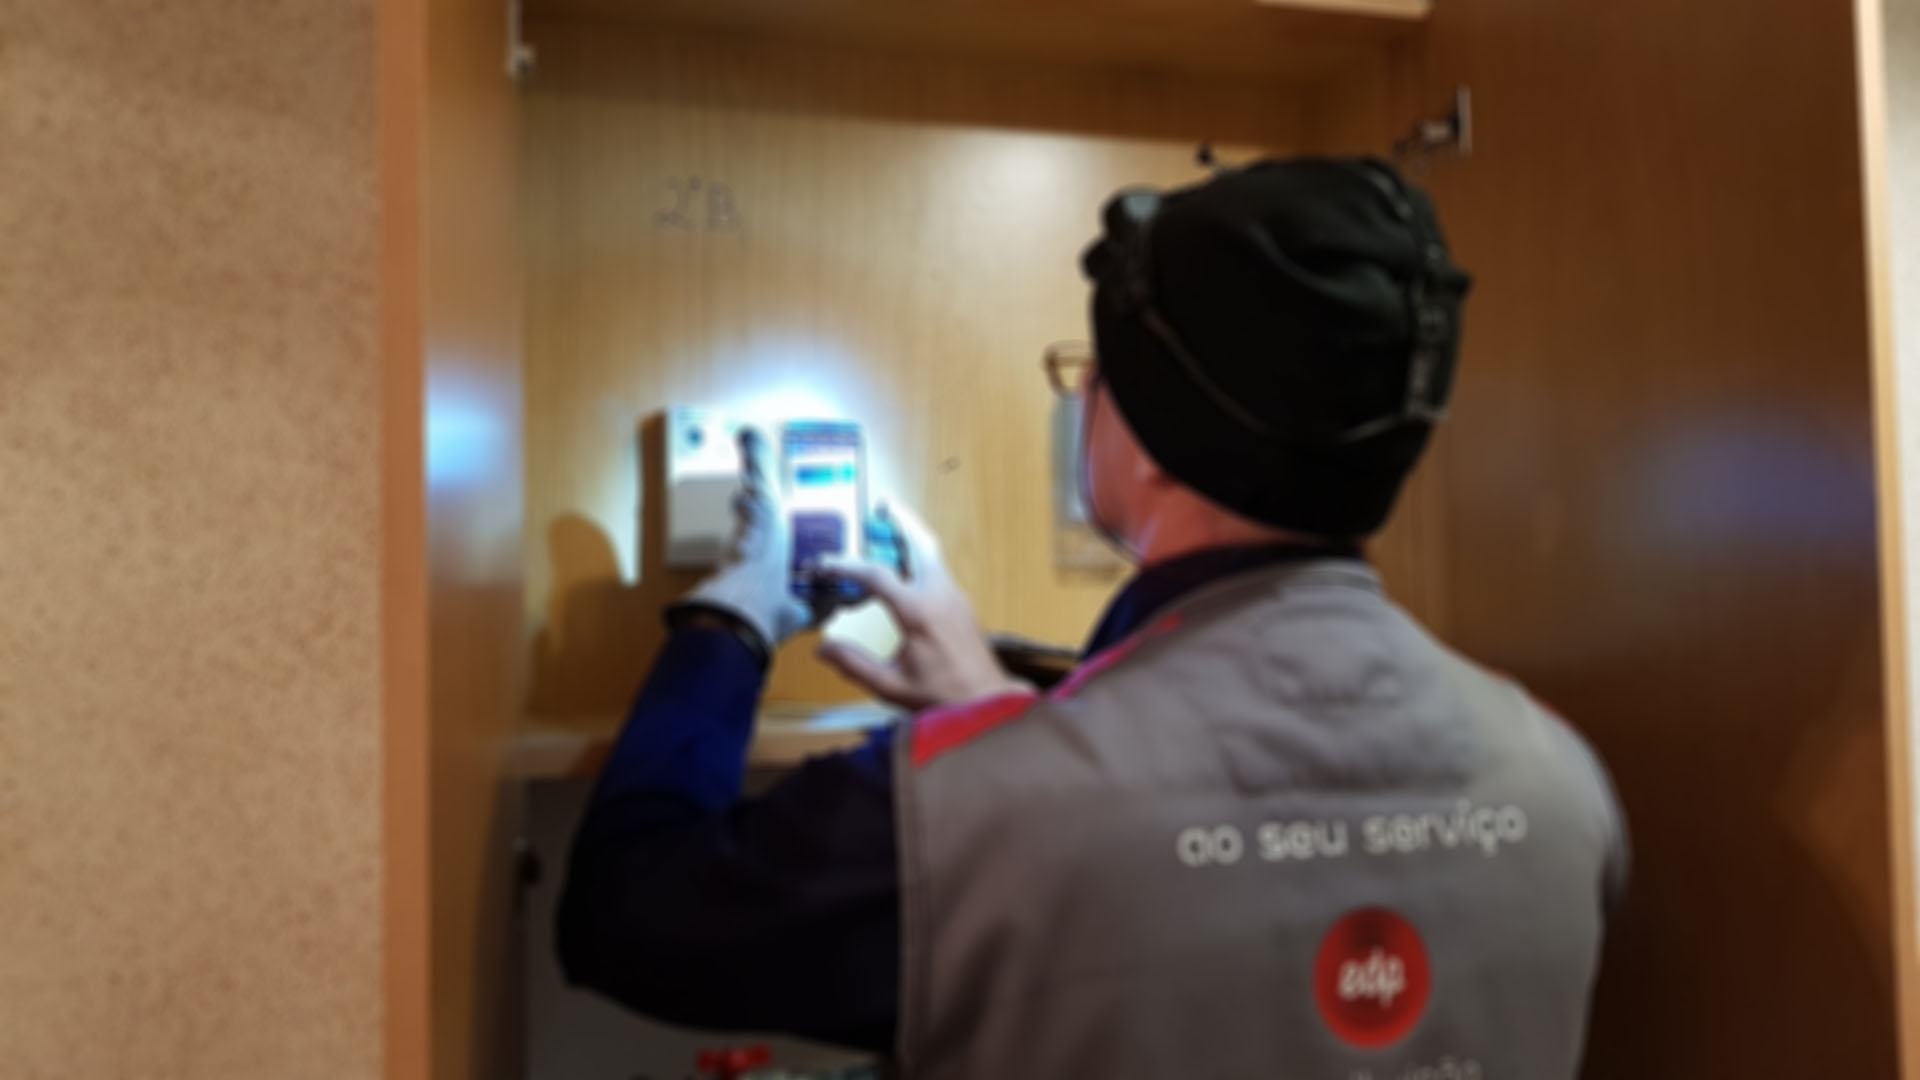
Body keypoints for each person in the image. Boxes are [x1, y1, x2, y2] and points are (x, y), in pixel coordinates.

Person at [556, 157, 1628, 1079]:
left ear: (1149, 442)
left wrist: (731, 622)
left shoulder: (973, 815)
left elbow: (627, 913)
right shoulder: (1565, 781)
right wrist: (1007, 716)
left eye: (1095, 381)